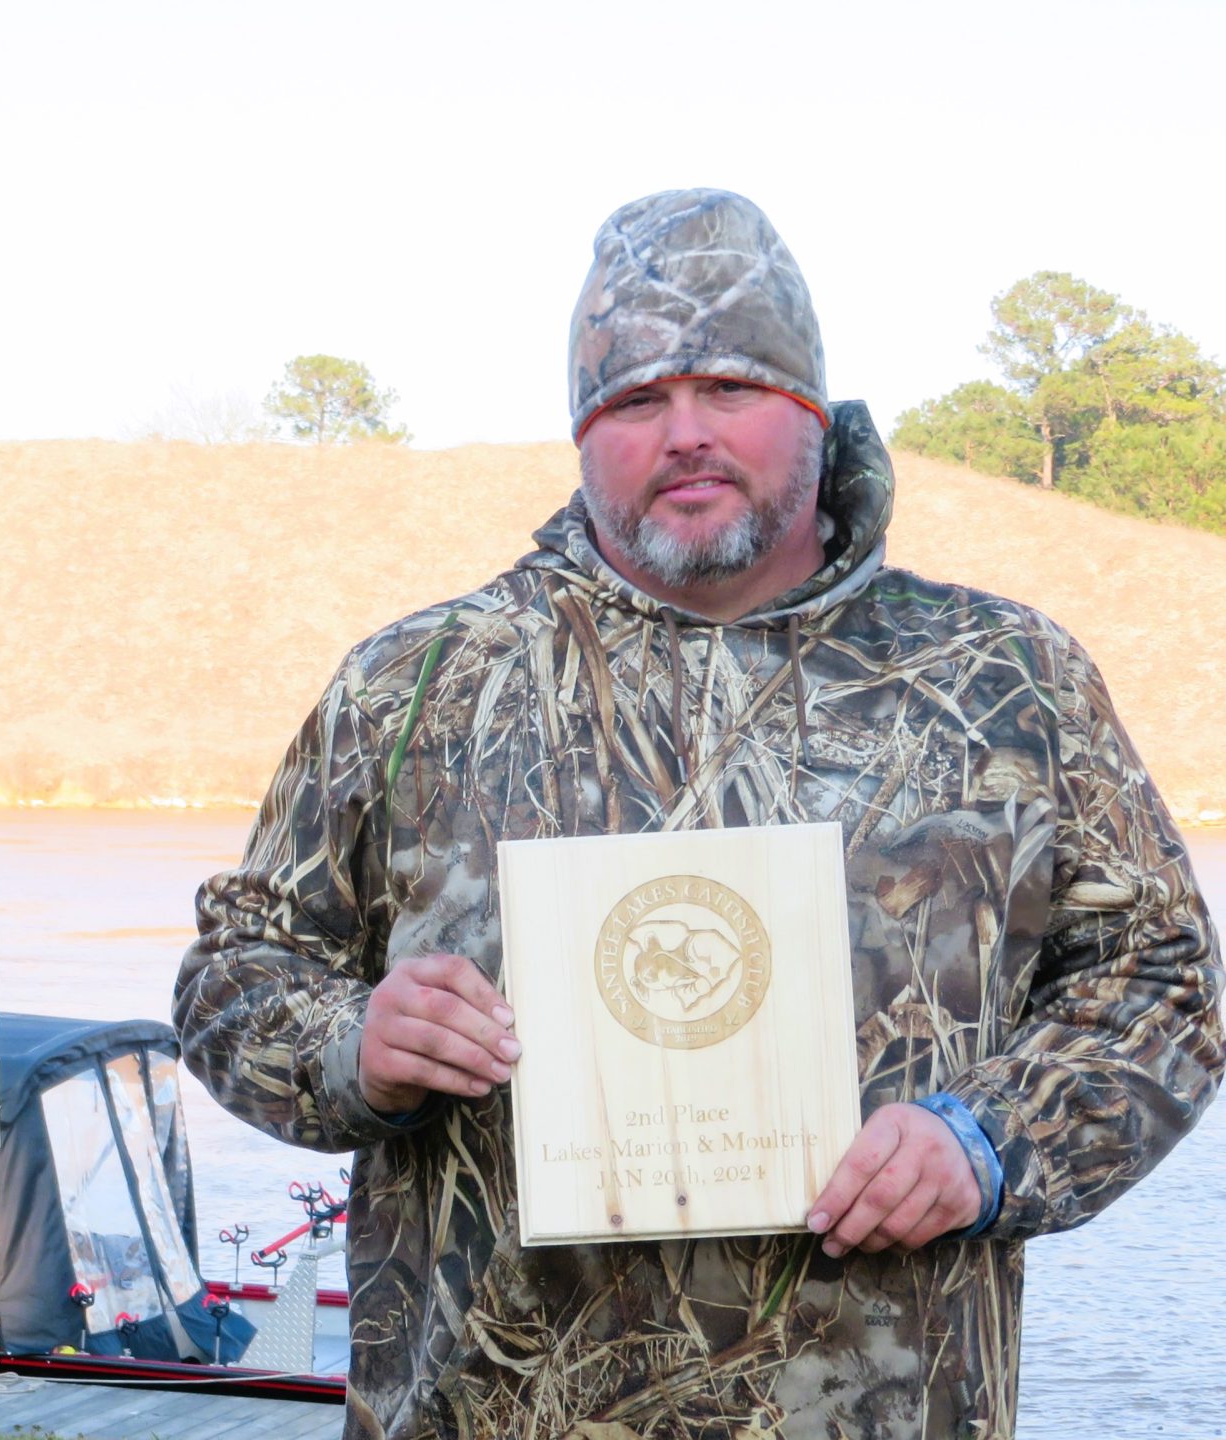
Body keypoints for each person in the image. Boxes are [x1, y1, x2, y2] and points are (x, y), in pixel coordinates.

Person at [173, 188, 1220, 1438]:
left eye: (728, 387)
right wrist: (356, 1043)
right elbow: (233, 974)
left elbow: (1163, 983)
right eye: (632, 401)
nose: (683, 433)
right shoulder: (419, 684)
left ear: (811, 417)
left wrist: (985, 1146)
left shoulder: (1002, 675)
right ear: (580, 433)